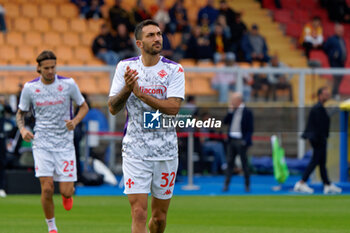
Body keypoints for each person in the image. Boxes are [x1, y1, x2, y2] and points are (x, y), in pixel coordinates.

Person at [108, 20, 185, 233]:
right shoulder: (125, 67)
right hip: (136, 150)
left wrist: (141, 94)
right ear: (139, 43)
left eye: (159, 34)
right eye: (151, 35)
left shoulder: (174, 70)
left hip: (166, 152)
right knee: (139, 212)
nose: (157, 38)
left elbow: (172, 109)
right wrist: (127, 88)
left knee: (159, 219)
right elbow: (113, 108)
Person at [16, 50, 89, 233]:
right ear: (38, 69)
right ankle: (52, 227)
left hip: (65, 144)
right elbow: (20, 113)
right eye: (46, 68)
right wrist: (23, 129)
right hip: (42, 143)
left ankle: (67, 195)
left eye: (53, 67)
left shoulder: (68, 84)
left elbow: (84, 106)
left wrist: (75, 121)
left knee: (65, 191)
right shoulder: (30, 88)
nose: (50, 71)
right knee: (47, 188)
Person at [294, 87, 342, 194]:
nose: (327, 96)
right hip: (318, 140)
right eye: (325, 94)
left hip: (320, 139)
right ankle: (302, 182)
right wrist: (316, 139)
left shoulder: (320, 108)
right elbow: (316, 126)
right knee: (315, 161)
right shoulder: (317, 108)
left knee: (321, 163)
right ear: (320, 95)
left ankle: (327, 184)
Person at [223, 92, 253, 192]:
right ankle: (226, 185)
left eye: (233, 100)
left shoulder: (247, 112)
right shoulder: (233, 111)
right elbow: (225, 122)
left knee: (244, 164)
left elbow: (250, 129)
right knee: (230, 164)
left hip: (241, 141)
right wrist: (230, 111)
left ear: (239, 100)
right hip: (231, 140)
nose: (231, 102)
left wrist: (245, 141)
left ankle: (247, 185)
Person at [323, 23, 347, 99]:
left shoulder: (342, 40)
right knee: (336, 77)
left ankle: (335, 92)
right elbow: (325, 48)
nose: (341, 32)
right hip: (335, 62)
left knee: (340, 77)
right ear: (336, 30)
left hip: (341, 62)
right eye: (340, 30)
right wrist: (332, 55)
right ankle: (334, 93)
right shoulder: (331, 39)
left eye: (342, 30)